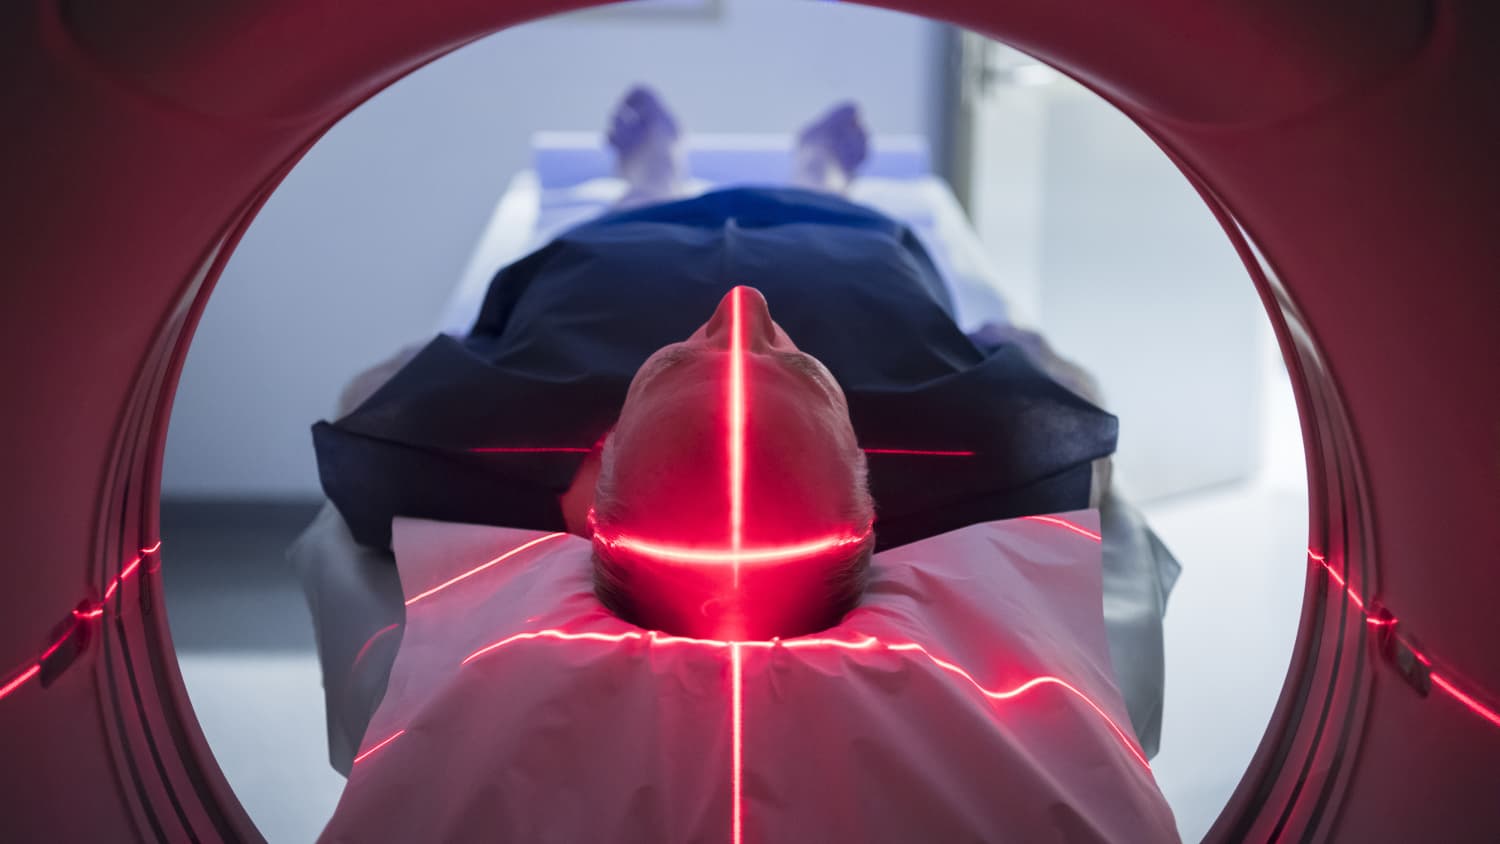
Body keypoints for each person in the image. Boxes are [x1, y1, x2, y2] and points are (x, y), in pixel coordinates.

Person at [294, 88, 1182, 836]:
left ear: (591, 479)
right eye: (796, 367)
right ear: (871, 475)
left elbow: (359, 405)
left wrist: (446, 352)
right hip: (847, 241)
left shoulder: (492, 441)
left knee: (634, 210)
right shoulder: (986, 448)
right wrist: (1011, 342)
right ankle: (818, 174)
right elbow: (1084, 415)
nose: (741, 302)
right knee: (826, 198)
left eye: (675, 361)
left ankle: (651, 177)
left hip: (616, 250)